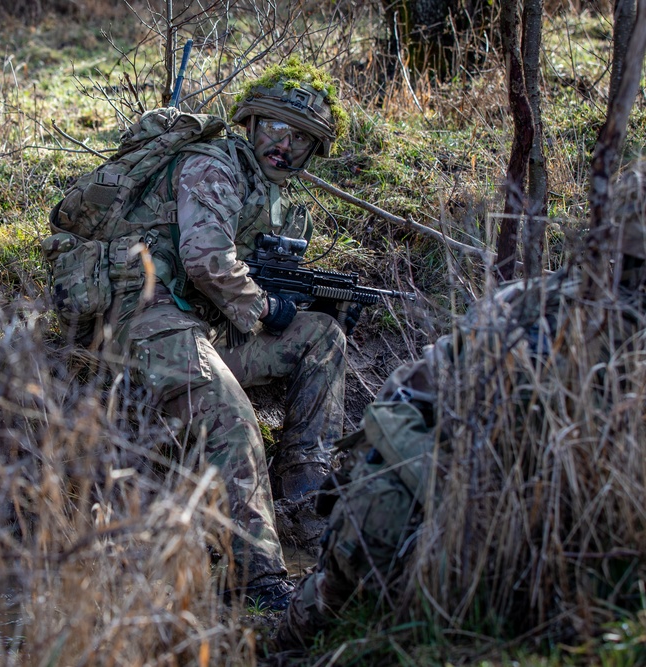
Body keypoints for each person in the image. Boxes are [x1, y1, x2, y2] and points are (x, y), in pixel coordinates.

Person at [274, 162, 646, 647]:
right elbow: (409, 398)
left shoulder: (529, 303)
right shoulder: (532, 307)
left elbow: (408, 393)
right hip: (445, 525)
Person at [54, 61, 351, 609]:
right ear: (252, 125)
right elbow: (206, 258)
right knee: (233, 420)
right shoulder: (213, 164)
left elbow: (245, 277)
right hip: (145, 313)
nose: (283, 146)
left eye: (300, 139)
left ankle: (305, 496)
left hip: (203, 323)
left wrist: (302, 306)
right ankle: (257, 576)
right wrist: (265, 307)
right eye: (274, 131)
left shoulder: (278, 200)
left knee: (323, 336)